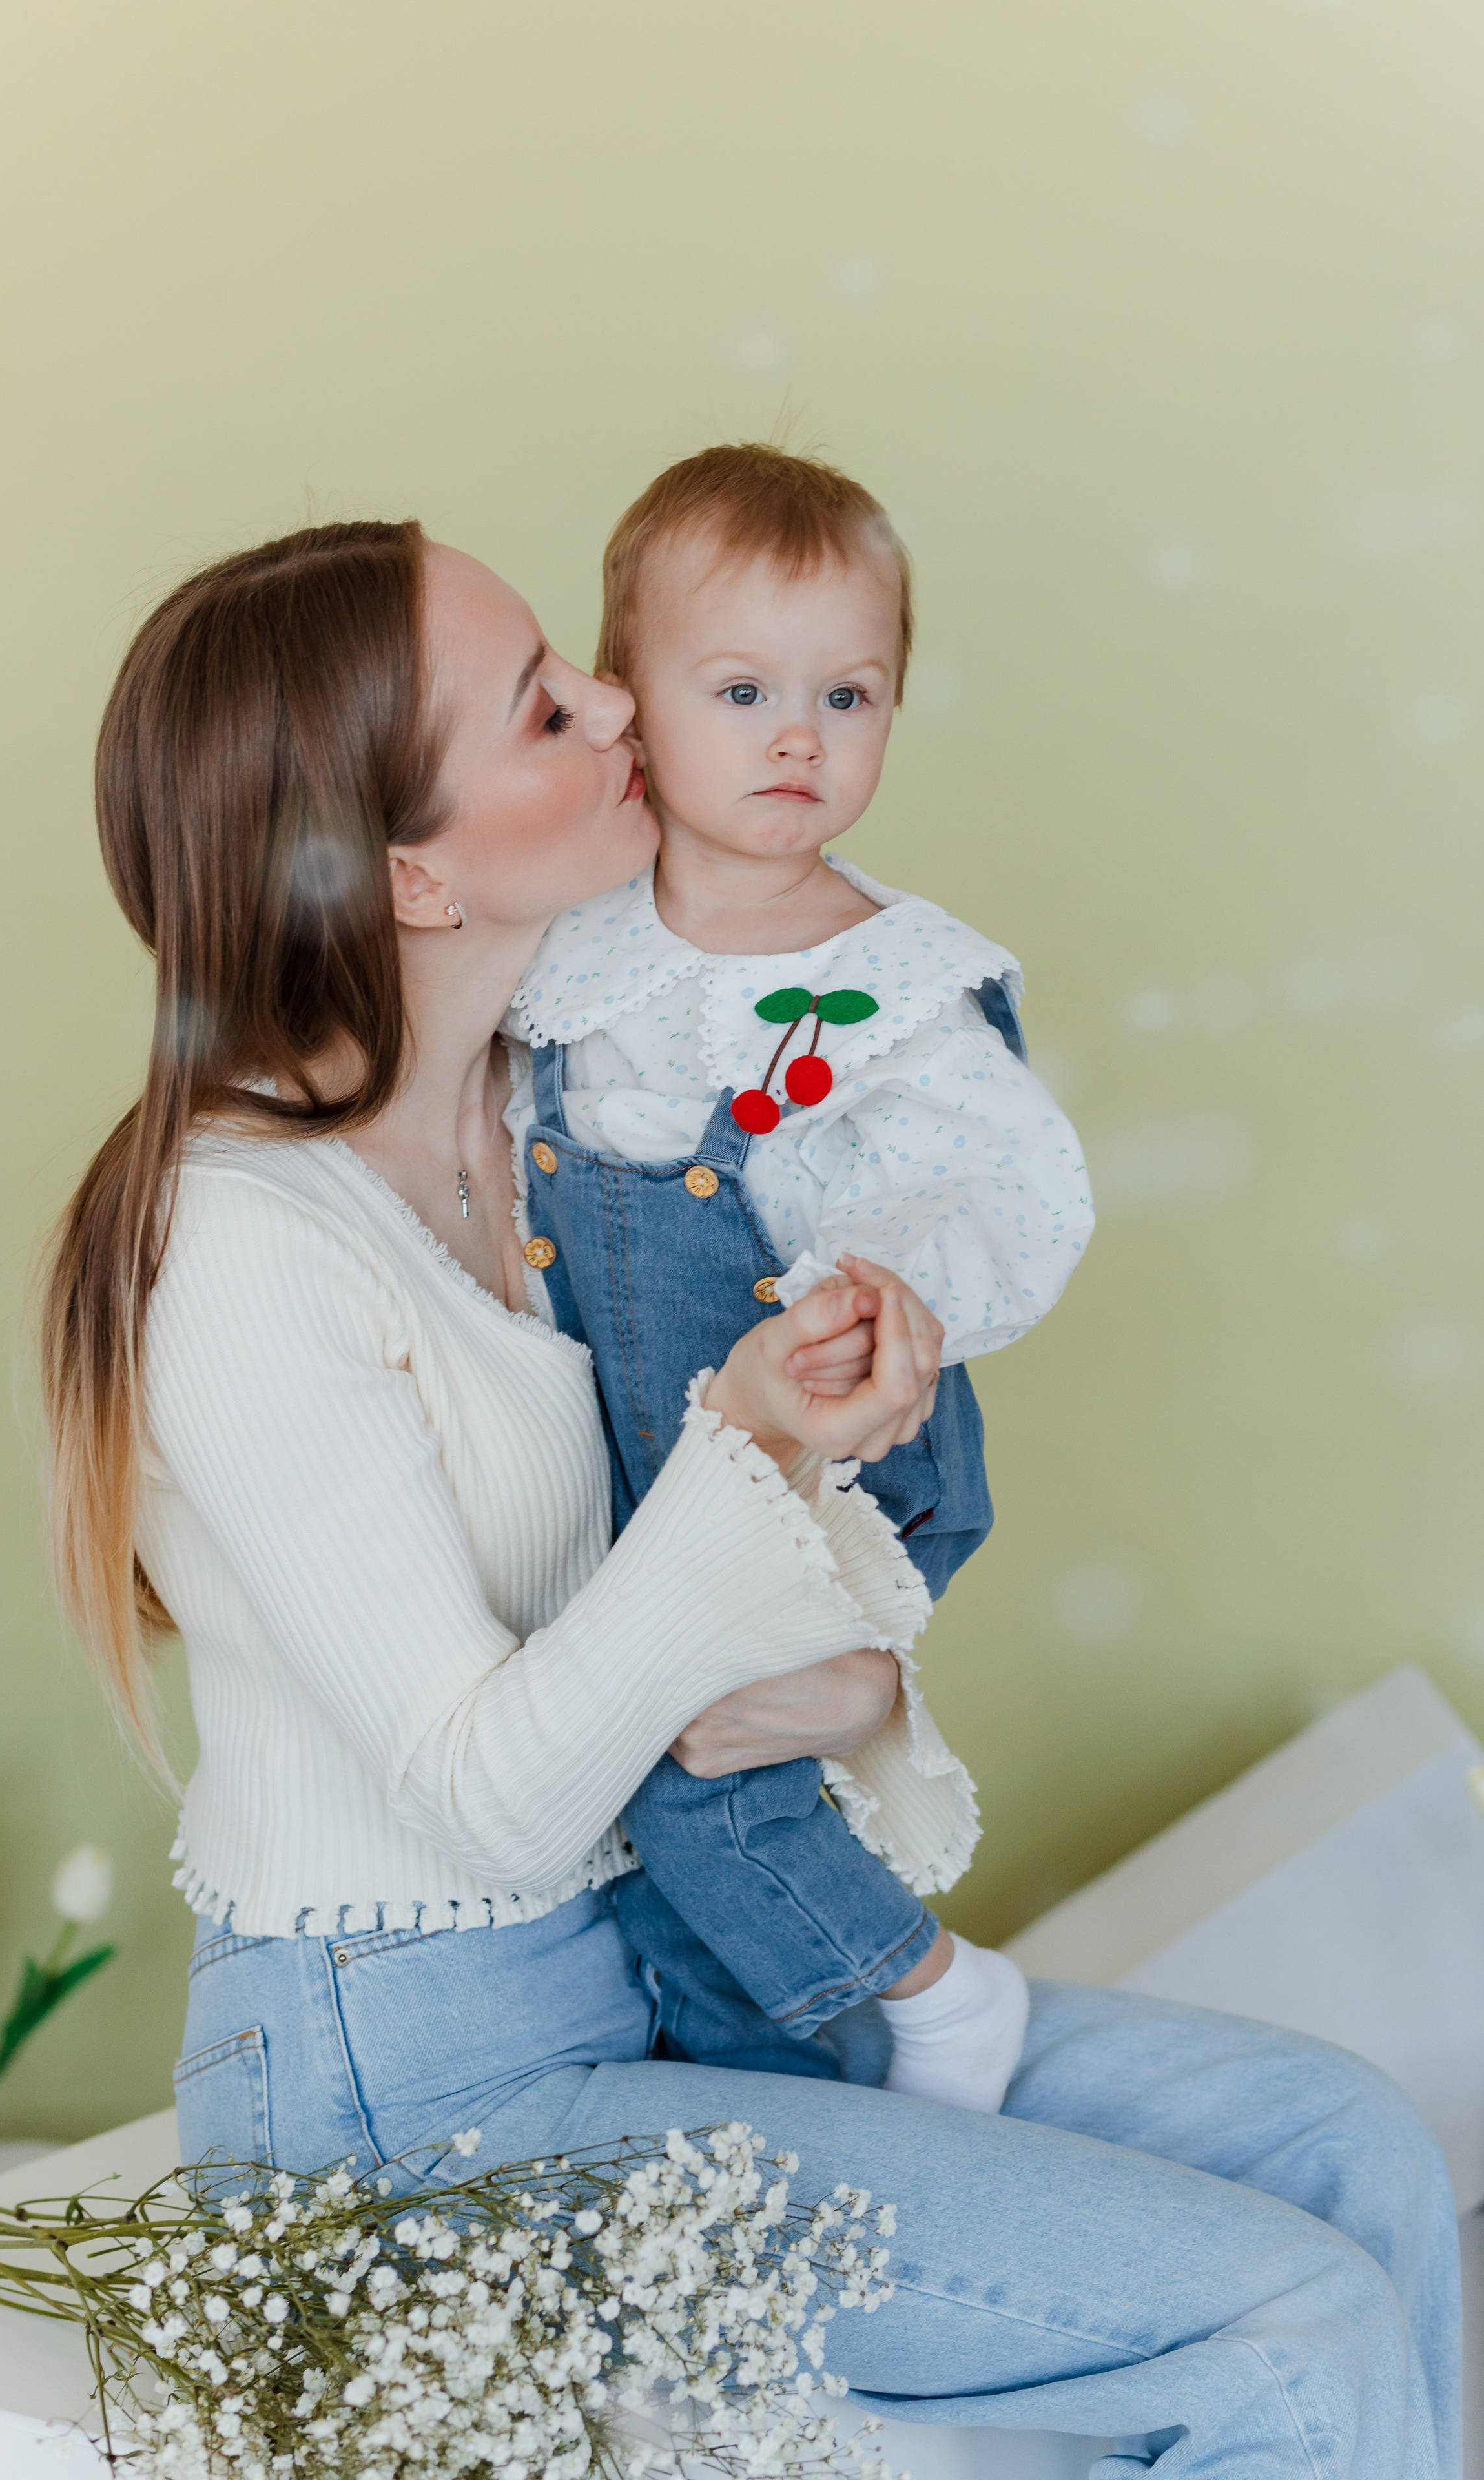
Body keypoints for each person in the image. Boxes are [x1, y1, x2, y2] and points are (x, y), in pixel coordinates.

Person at [41, 519, 1458, 2475]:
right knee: (1292, 2332)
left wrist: (866, 1686)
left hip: (657, 1973)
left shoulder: (571, 1108)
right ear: (410, 869)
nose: (623, 700)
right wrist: (743, 1435)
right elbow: (495, 1786)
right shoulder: (244, 1252)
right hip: (420, 2110)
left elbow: (707, 1610)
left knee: (1353, 2145)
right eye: (549, 700)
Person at [507, 442, 1093, 2107]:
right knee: (656, 1788)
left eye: (850, 696)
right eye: (745, 688)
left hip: (844, 1455)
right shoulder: (577, 940)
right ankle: (750, 2073)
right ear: (630, 704)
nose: (797, 737)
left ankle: (932, 2003)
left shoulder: (895, 978)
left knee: (697, 1775)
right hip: (666, 1468)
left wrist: (898, 1285)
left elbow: (1008, 1184)